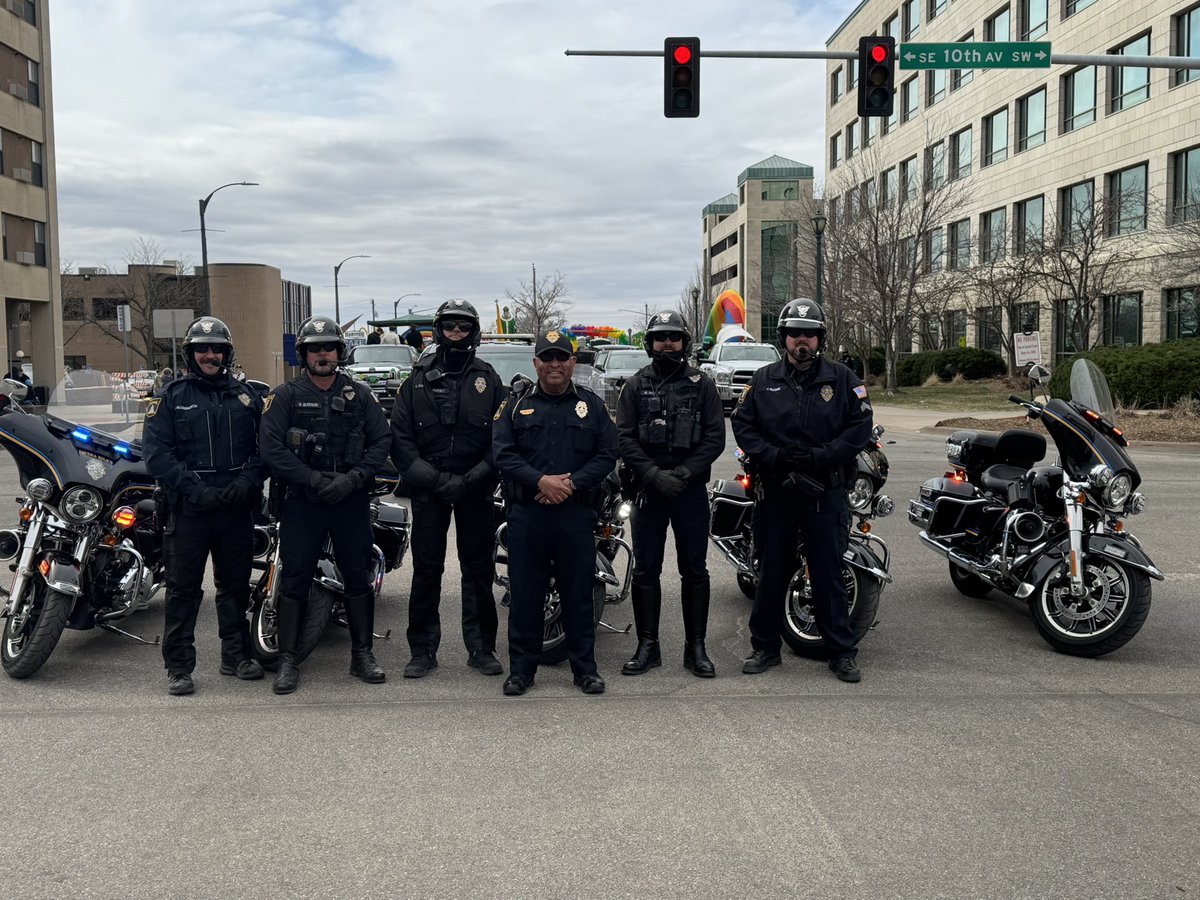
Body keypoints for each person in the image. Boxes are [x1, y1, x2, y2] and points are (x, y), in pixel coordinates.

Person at [731, 298, 873, 683]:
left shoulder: (843, 380)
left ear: (820, 338)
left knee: (827, 574)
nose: (802, 341)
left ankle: (841, 653)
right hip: (776, 492)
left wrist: (818, 457)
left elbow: (858, 430)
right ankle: (764, 648)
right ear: (784, 339)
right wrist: (773, 457)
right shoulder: (763, 380)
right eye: (795, 334)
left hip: (823, 493)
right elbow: (744, 426)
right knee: (771, 572)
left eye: (809, 334)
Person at [259, 315, 392, 694]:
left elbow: (382, 441)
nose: (323, 354)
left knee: (357, 576)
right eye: (315, 348)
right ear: (303, 354)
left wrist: (354, 478)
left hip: (350, 500)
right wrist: (313, 478)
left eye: (329, 347)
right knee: (296, 579)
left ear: (339, 352)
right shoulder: (283, 396)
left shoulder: (359, 395)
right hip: (304, 502)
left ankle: (362, 655)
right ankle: (288, 659)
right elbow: (271, 448)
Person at [143, 317, 269, 696]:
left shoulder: (248, 398)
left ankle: (236, 656)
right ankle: (179, 666)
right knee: (183, 590)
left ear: (227, 353)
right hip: (190, 510)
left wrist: (246, 483)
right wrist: (196, 490)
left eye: (217, 349)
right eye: (203, 349)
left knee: (234, 587)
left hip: (235, 508)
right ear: (191, 353)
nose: (210, 355)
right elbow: (156, 454)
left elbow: (266, 451)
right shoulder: (171, 397)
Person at [492, 330, 618, 696]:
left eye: (561, 357)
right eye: (547, 358)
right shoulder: (514, 404)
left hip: (575, 515)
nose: (554, 364)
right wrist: (541, 482)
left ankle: (585, 670)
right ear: (535, 364)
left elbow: (607, 454)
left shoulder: (592, 406)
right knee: (526, 596)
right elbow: (503, 453)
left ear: (572, 363)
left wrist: (570, 484)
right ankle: (521, 671)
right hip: (528, 515)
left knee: (578, 595)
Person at [391, 299, 504, 679]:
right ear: (438, 330)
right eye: (450, 327)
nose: (457, 334)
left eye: (464, 327)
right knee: (427, 570)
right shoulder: (416, 379)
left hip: (475, 488)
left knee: (478, 569)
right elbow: (401, 441)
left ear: (474, 332)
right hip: (429, 488)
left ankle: (481, 647)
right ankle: (422, 651)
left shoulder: (488, 378)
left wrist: (470, 480)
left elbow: (500, 441)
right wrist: (437, 480)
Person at [615, 310, 725, 678]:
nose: (667, 343)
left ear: (684, 343)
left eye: (674, 337)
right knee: (647, 571)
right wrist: (652, 474)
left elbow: (714, 438)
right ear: (649, 344)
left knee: (694, 570)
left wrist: (682, 473)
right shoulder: (634, 385)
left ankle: (696, 648)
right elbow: (624, 437)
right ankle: (648, 646)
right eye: (660, 337)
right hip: (649, 491)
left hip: (689, 491)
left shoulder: (703, 384)